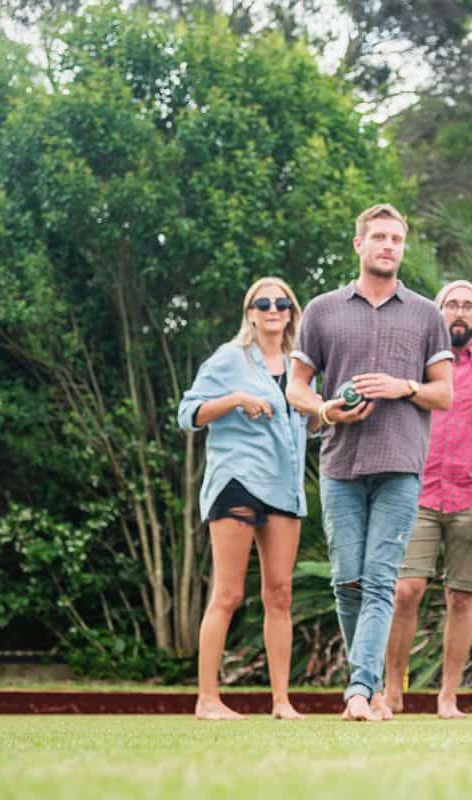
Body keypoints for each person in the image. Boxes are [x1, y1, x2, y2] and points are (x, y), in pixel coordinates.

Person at [285, 203, 454, 722]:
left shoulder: (426, 314)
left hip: (401, 463)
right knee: (346, 580)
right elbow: (295, 386)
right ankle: (371, 690)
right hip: (339, 465)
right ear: (358, 244)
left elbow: (444, 393)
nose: (387, 246)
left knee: (380, 580)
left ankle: (359, 690)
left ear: (402, 249)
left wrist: (404, 387)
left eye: (395, 239)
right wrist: (324, 408)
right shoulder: (321, 310)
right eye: (378, 237)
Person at [178, 277, 314, 721]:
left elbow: (312, 423)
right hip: (236, 479)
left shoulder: (302, 367)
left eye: (282, 302)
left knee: (280, 593)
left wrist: (333, 411)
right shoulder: (228, 359)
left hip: (284, 485)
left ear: (291, 312)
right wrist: (235, 399)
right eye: (264, 303)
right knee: (229, 592)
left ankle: (281, 702)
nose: (273, 308)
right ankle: (207, 700)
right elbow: (188, 414)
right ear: (250, 312)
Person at [379, 280, 472, 719]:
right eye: (452, 303)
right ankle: (393, 690)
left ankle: (448, 696)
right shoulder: (415, 365)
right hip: (418, 491)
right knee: (406, 590)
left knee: (461, 598)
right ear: (437, 312)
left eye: (468, 305)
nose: (459, 311)